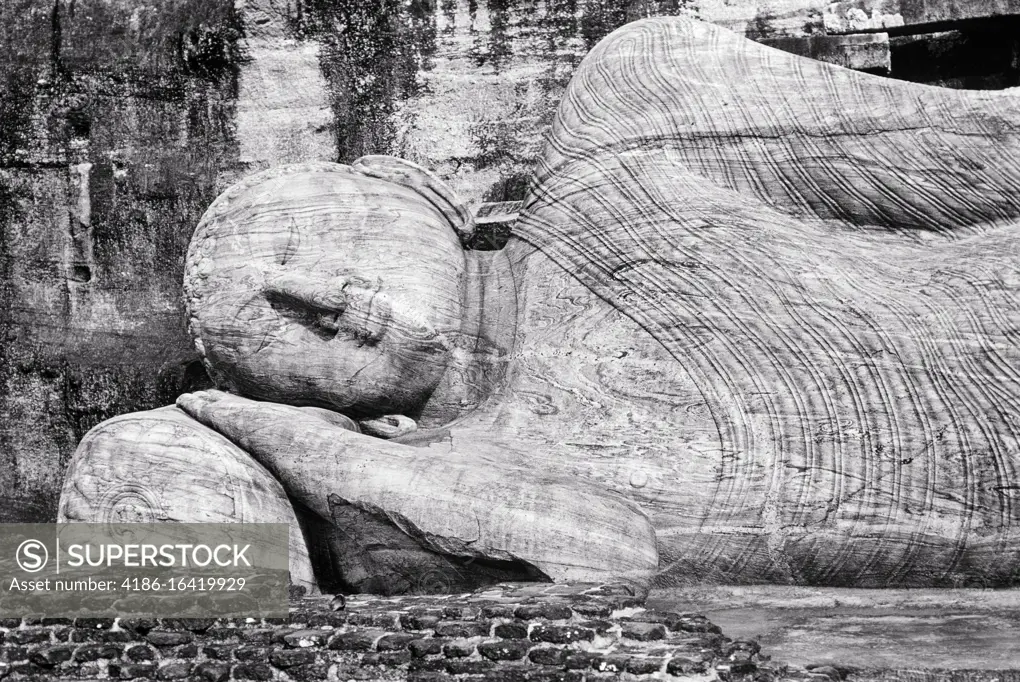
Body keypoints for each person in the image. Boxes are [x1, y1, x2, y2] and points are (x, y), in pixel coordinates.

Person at [61, 17, 1020, 590]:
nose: (320, 295)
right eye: (271, 325)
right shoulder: (480, 479)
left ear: (412, 190)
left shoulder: (630, 124)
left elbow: (995, 144)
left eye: (304, 241)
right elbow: (612, 563)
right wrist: (296, 446)